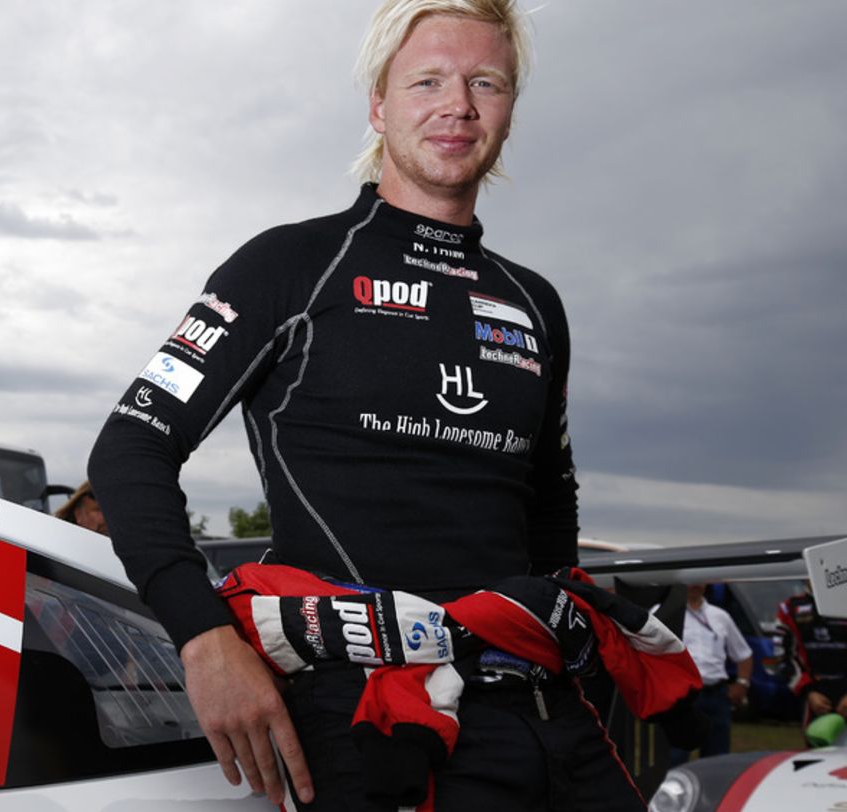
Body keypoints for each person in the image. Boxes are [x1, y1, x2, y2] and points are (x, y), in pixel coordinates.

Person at [89, 1, 643, 808]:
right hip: (369, 715)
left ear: (510, 110)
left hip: (543, 713)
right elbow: (129, 448)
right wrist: (203, 638)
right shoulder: (287, 265)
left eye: (485, 82)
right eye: (428, 81)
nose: (457, 105)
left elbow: (550, 501)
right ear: (380, 106)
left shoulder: (535, 302)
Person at [670, 584, 753, 764]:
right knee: (675, 757)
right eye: (690, 580)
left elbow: (744, 654)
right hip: (682, 695)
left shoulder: (720, 616)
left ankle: (712, 792)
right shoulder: (666, 612)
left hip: (716, 695)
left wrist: (742, 683)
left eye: (699, 580)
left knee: (716, 758)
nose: (695, 585)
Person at [775, 585, 847, 732]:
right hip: (815, 696)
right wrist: (808, 692)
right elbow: (782, 656)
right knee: (818, 749)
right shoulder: (789, 608)